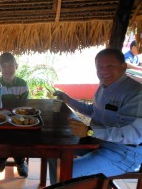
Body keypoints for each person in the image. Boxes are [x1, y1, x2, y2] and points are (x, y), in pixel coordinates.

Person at [48, 48, 142, 184]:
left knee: (66, 170)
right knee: (53, 152)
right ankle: (58, 185)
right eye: (100, 67)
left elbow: (132, 135)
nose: (104, 71)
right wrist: (68, 100)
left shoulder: (135, 93)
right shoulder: (104, 87)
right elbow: (94, 110)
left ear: (123, 67)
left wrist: (90, 131)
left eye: (110, 66)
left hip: (123, 152)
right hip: (98, 140)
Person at [0, 52, 29, 177]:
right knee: (0, 131)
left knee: (20, 133)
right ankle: (2, 156)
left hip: (17, 118)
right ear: (0, 68)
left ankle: (19, 160)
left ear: (16, 66)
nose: (7, 69)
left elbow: (24, 107)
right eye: (4, 66)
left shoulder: (22, 84)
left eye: (11, 65)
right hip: (1, 118)